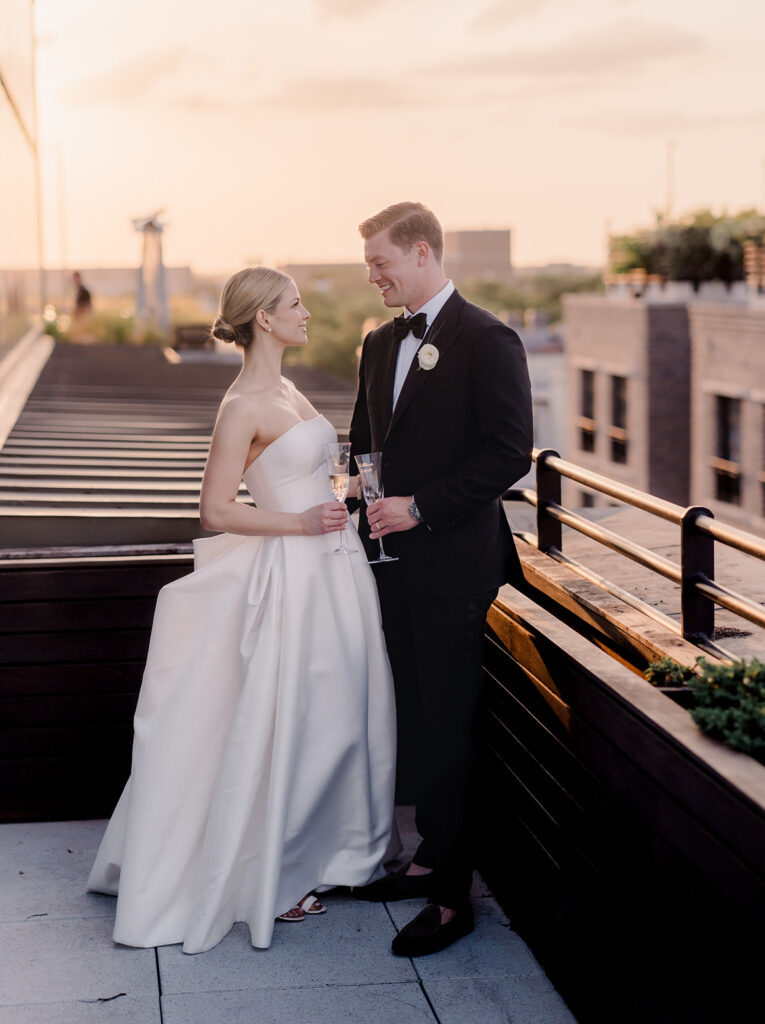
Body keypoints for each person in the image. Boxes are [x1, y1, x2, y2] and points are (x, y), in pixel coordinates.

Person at [87, 267, 397, 953]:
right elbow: (216, 509)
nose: (307, 313)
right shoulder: (241, 406)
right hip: (295, 571)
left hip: (334, 568)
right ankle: (277, 868)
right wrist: (302, 525)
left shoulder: (288, 385)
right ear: (264, 318)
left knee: (337, 710)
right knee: (292, 713)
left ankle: (332, 850)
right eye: (295, 305)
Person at [349, 202, 533, 957]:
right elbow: (364, 439)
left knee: (453, 723)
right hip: (387, 567)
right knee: (416, 716)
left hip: (456, 570)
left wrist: (420, 507)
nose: (371, 276)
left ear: (421, 252)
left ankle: (454, 898)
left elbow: (509, 453)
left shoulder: (489, 339)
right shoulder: (374, 343)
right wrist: (358, 498)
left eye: (380, 263)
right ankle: (426, 858)